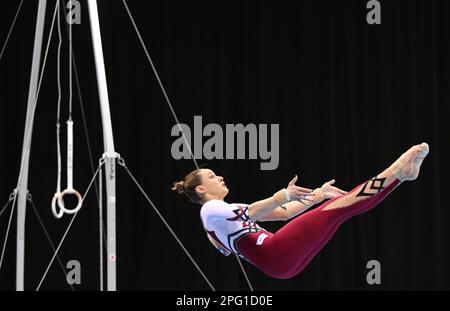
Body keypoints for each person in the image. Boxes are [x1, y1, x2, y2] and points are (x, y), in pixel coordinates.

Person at [172, 143, 429, 279]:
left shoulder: (224, 211)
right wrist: (282, 195)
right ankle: (397, 171)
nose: (220, 177)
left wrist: (316, 196)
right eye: (212, 176)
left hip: (281, 265)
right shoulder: (209, 210)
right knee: (338, 210)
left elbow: (283, 213)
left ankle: (400, 176)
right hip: (275, 251)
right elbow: (251, 212)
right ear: (201, 190)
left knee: (339, 211)